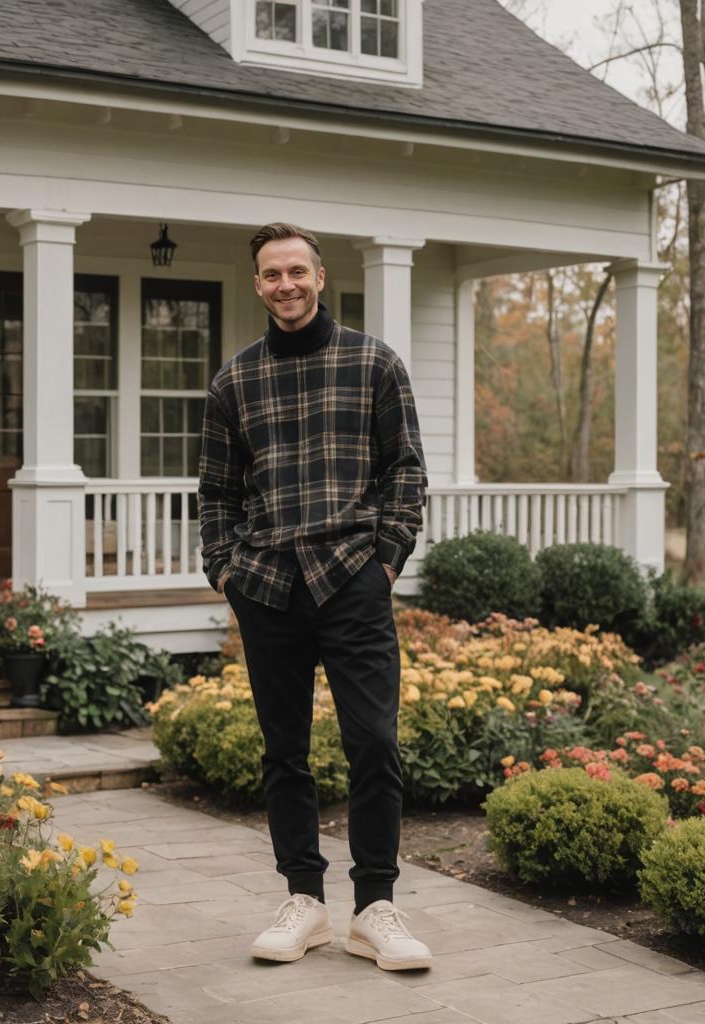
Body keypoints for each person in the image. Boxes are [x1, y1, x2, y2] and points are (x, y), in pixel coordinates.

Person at [197, 223, 431, 971]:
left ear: (321, 276)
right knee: (284, 753)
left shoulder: (374, 364)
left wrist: (385, 562)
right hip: (266, 585)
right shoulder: (234, 381)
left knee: (374, 742)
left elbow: (407, 473)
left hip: (353, 581)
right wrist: (225, 571)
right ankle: (305, 901)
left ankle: (375, 907)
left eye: (297, 270)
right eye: (271, 274)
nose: (285, 284)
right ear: (258, 285)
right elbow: (217, 495)